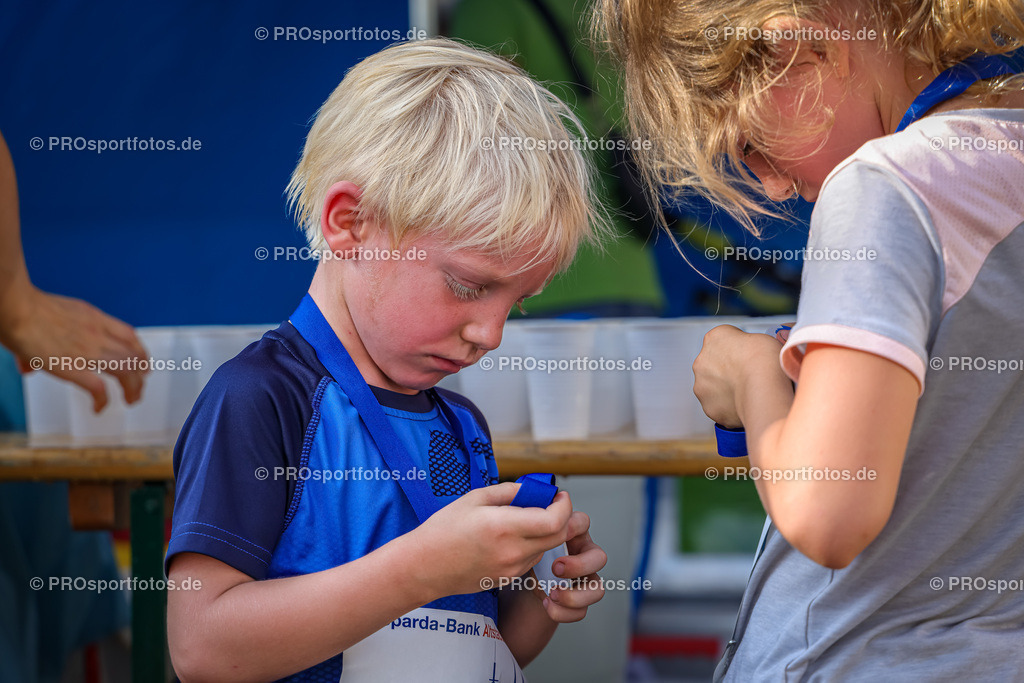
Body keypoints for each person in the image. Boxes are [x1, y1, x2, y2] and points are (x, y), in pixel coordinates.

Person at [595, 0, 1024, 680]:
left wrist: (752, 376)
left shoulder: (884, 188)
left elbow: (827, 509)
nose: (771, 183)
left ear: (793, 49)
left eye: (749, 147)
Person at [165, 38, 609, 682]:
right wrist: (424, 566)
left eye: (519, 301)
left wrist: (543, 597)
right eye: (467, 285)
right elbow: (202, 646)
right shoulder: (261, 399)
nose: (491, 333)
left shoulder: (460, 426)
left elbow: (474, 643)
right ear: (350, 223)